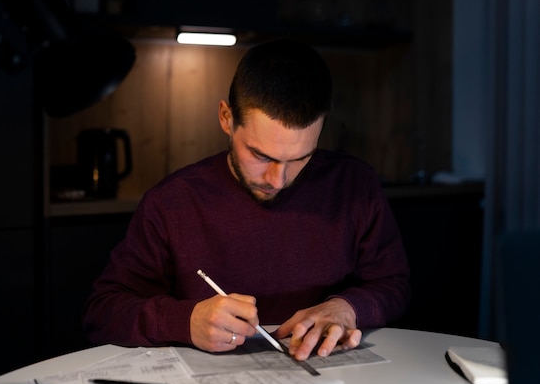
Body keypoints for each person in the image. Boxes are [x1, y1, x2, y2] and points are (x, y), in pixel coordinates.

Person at [82, 38, 410, 361]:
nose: (278, 180)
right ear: (226, 118)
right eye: (260, 155)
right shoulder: (174, 202)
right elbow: (103, 311)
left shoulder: (354, 184)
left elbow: (393, 285)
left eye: (300, 158)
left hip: (336, 383)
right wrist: (186, 321)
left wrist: (348, 307)